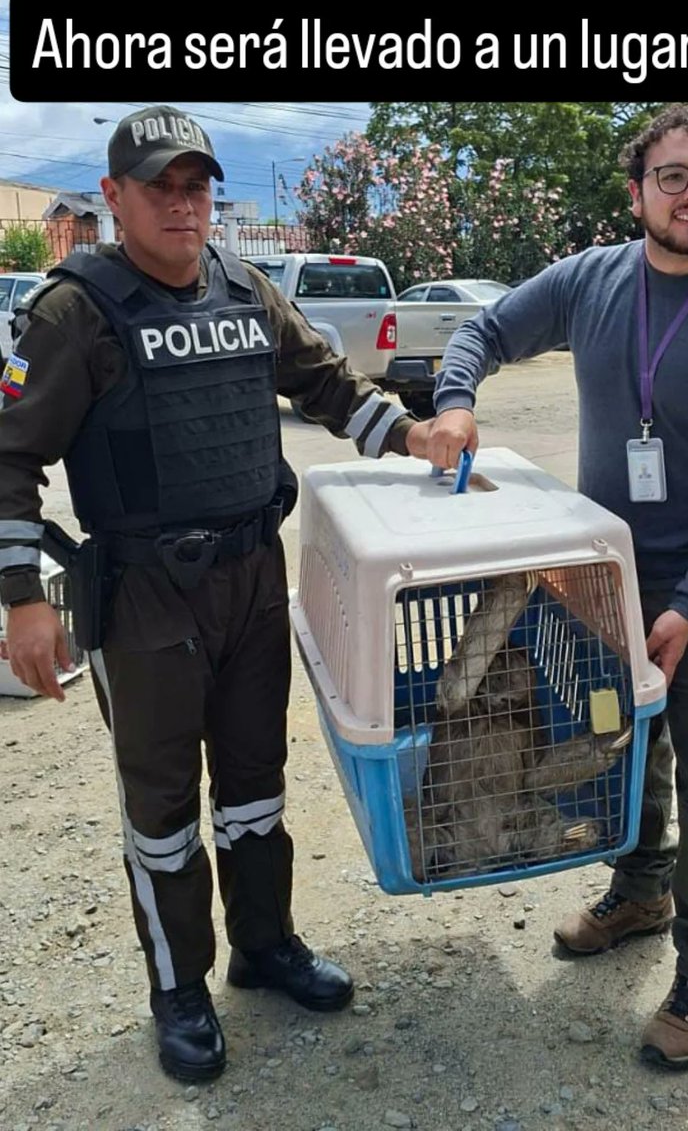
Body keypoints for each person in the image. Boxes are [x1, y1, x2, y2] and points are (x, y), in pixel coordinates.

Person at [0, 105, 432, 1083]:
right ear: (114, 200)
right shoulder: (74, 312)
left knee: (256, 787)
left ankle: (265, 946)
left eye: (197, 186)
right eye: (162, 187)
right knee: (163, 810)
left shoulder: (243, 286)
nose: (184, 205)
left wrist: (412, 436)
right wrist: (22, 595)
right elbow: (9, 457)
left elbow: (325, 383)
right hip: (146, 594)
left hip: (251, 577)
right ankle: (179, 988)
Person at [424, 103, 688, 1070]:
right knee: (622, 739)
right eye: (675, 175)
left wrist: (686, 607)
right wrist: (458, 403)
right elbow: (481, 334)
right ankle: (641, 888)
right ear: (637, 191)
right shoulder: (591, 282)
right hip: (601, 578)